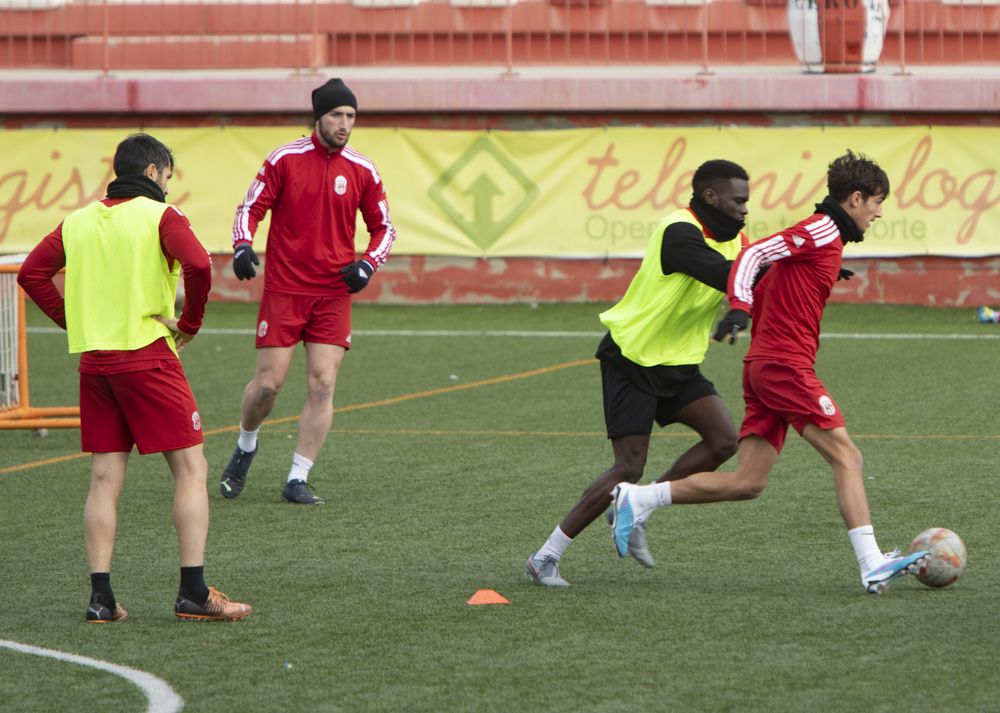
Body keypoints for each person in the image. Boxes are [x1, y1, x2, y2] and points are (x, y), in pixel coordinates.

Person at [610, 150, 930, 595]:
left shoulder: (825, 239)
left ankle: (638, 497)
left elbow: (780, 267)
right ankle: (871, 563)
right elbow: (758, 253)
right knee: (847, 456)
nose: (878, 212)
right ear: (855, 199)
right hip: (783, 366)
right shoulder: (820, 228)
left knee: (747, 483)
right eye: (877, 202)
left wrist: (826, 270)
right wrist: (739, 308)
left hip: (767, 366)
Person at [17, 133, 252, 622]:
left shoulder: (77, 221)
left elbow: (32, 274)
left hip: (95, 364)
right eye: (167, 174)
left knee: (104, 477)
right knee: (191, 469)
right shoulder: (161, 215)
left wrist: (73, 321)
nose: (168, 183)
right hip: (147, 358)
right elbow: (200, 265)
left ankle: (101, 600)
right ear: (151, 172)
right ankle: (193, 592)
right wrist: (190, 325)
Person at [525, 160, 752, 587]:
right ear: (710, 197)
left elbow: (746, 280)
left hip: (679, 363)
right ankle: (545, 557)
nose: (745, 208)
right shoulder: (678, 232)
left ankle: (638, 505)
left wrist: (740, 312)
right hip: (632, 357)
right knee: (628, 466)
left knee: (724, 440)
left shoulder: (738, 239)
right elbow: (730, 274)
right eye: (738, 200)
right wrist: (780, 275)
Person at [220, 77, 397, 505]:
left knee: (323, 384)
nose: (344, 123)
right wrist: (242, 246)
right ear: (318, 116)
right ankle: (246, 445)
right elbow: (250, 207)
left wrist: (367, 265)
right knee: (268, 385)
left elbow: (385, 228)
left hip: (333, 293)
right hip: (285, 290)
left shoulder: (363, 169)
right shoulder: (284, 158)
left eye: (351, 116)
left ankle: (298, 476)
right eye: (337, 114)